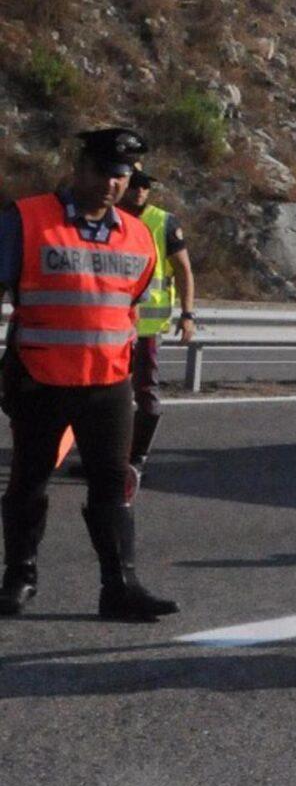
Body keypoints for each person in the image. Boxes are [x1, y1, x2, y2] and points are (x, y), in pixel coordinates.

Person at [0, 127, 177, 622]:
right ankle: (19, 577)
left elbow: (129, 303)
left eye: (121, 176)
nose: (111, 184)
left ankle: (120, 586)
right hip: (41, 378)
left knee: (112, 483)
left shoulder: (139, 234)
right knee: (30, 482)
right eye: (102, 172)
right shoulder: (26, 219)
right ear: (78, 168)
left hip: (107, 384)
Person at [117, 169, 196, 486]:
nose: (139, 191)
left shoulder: (163, 223)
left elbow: (183, 271)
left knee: (145, 390)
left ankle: (137, 459)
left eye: (145, 187)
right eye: (135, 185)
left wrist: (188, 314)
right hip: (112, 325)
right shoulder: (107, 217)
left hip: (147, 326)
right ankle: (112, 459)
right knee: (109, 395)